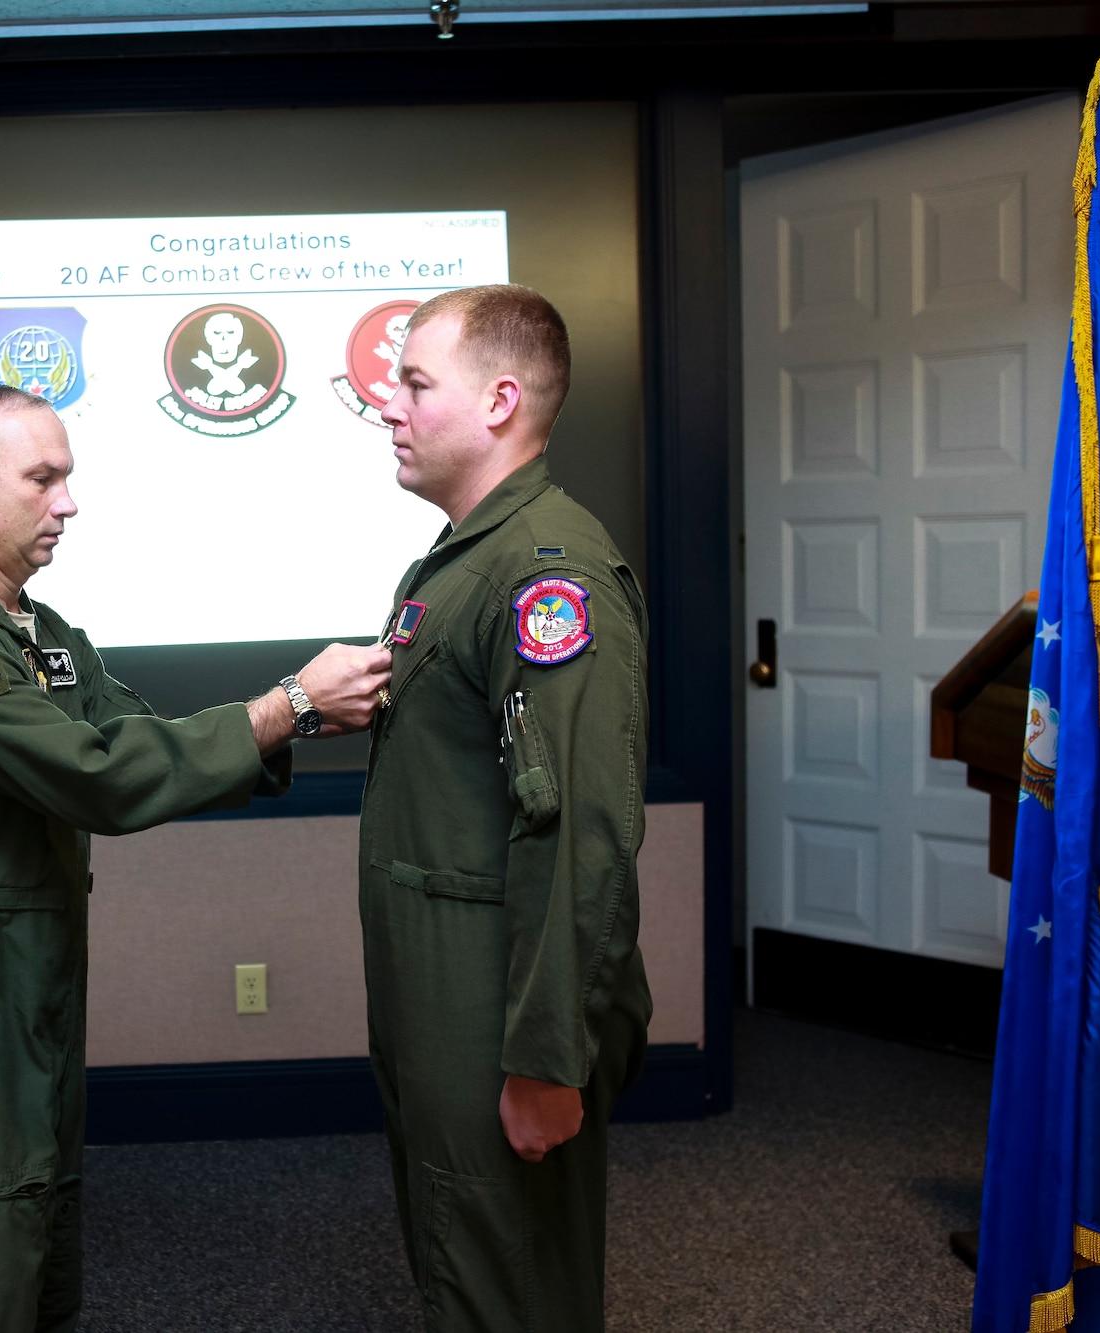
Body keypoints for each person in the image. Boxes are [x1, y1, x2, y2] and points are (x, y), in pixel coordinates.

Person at [0, 383, 391, 1333]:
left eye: (68, 478)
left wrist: (294, 720)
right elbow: (94, 774)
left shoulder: (39, 634)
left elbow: (133, 734)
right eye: (44, 478)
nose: (69, 502)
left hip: (25, 977)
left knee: (31, 1234)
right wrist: (289, 704)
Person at [362, 285, 652, 1332]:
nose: (385, 404)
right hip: (443, 993)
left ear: (496, 401)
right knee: (463, 1256)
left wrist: (544, 1055)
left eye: (411, 383)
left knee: (508, 1279)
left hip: (496, 1008)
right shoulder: (457, 561)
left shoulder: (545, 570)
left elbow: (577, 827)